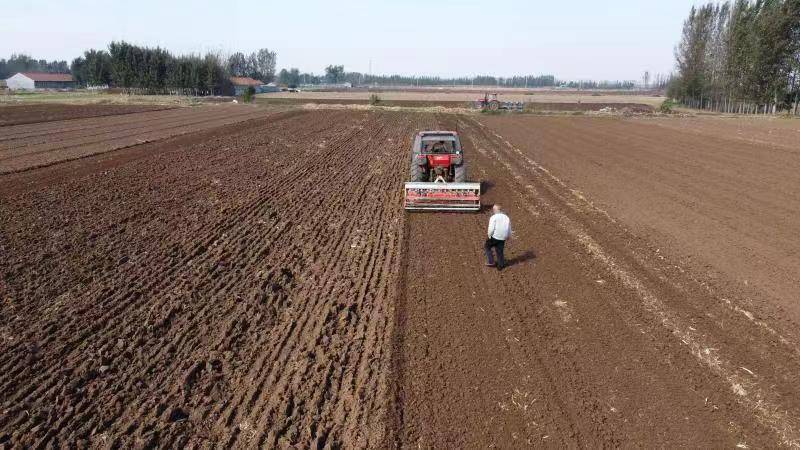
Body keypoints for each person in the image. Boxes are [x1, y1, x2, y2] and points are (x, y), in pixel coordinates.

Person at [485, 204, 511, 270]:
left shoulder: (493, 217)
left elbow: (491, 228)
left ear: (496, 210)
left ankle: (491, 262)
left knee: (487, 246)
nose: (493, 210)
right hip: (503, 237)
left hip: (495, 236)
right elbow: (509, 228)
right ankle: (501, 265)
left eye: (494, 209)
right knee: (500, 251)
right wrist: (508, 236)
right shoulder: (506, 217)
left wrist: (489, 235)